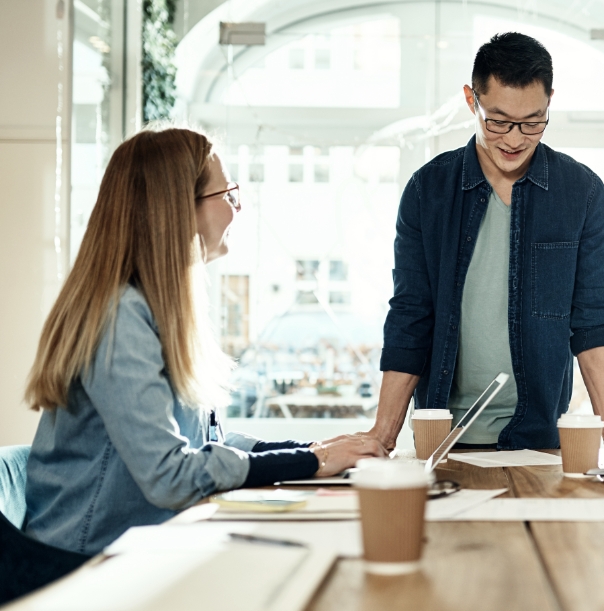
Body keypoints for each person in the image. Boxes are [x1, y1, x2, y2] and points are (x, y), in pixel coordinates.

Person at [22, 126, 385, 555]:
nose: (239, 206)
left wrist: (313, 449)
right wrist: (314, 462)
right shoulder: (121, 318)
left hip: (131, 549)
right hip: (78, 564)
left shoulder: (160, 309)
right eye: (228, 194)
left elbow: (209, 444)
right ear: (178, 209)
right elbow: (169, 475)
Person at [366, 32, 604, 452]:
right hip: (443, 439)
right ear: (472, 100)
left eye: (532, 122)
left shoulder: (582, 192)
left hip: (540, 436)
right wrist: (382, 434)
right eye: (498, 121)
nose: (514, 139)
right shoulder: (427, 190)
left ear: (549, 102)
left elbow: (593, 317)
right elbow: (410, 316)